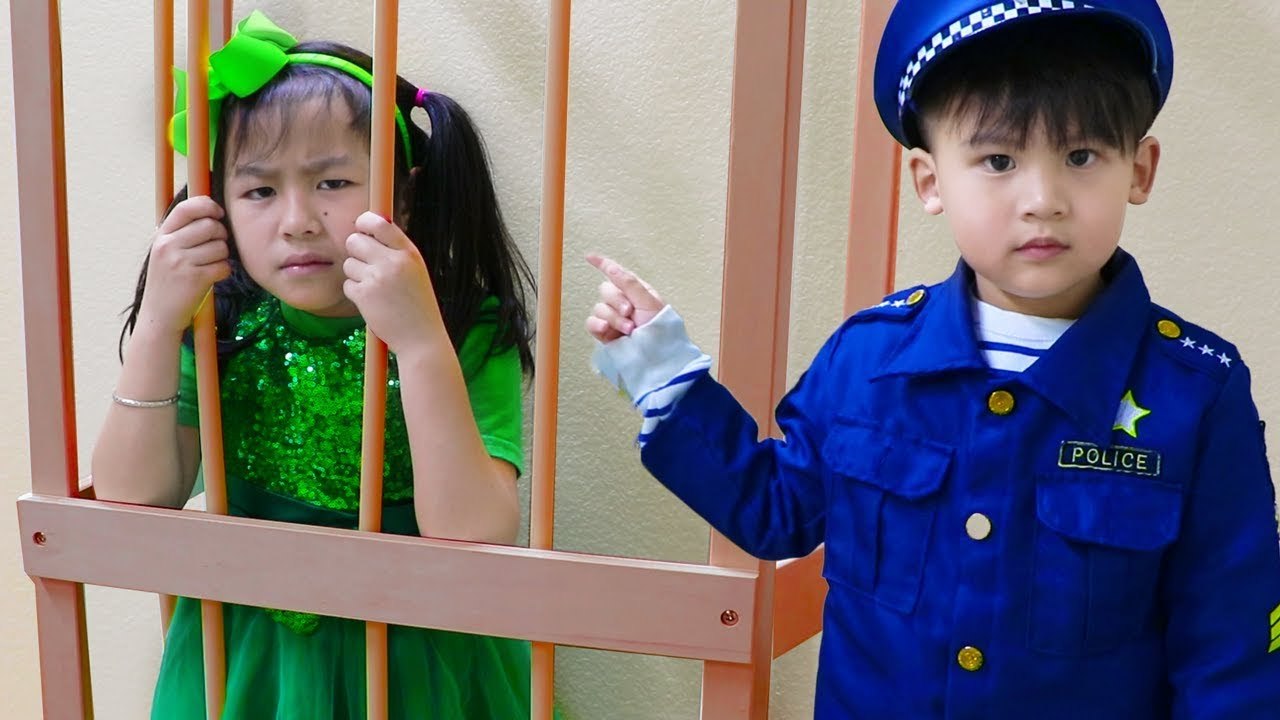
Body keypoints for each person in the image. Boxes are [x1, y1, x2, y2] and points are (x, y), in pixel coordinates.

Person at [585, 1, 1280, 716]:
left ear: (1139, 168)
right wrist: (664, 377)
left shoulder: (1197, 391)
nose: (1043, 200)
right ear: (930, 181)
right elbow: (775, 510)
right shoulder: (869, 359)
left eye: (1081, 156)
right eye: (999, 160)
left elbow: (1231, 649)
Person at [91, 11, 543, 718]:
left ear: (403, 192)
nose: (297, 219)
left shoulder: (462, 324)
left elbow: (477, 533)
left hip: (425, 665)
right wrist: (157, 321)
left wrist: (419, 341)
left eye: (332, 183)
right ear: (221, 210)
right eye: (259, 191)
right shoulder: (221, 323)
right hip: (242, 664)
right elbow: (129, 503)